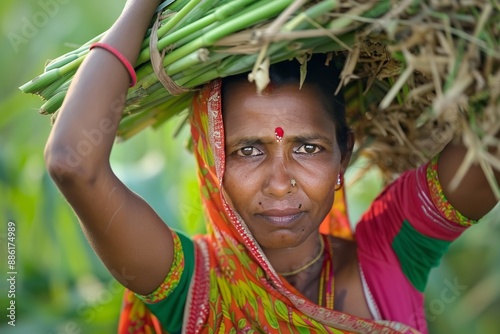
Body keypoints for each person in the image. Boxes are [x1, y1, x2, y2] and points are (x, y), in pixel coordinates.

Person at [43, 1, 499, 333]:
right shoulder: (193, 287)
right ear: (211, 158)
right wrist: (141, 6)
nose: (280, 185)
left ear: (345, 152)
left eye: (307, 149)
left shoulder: (391, 255)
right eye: (248, 151)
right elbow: (71, 163)